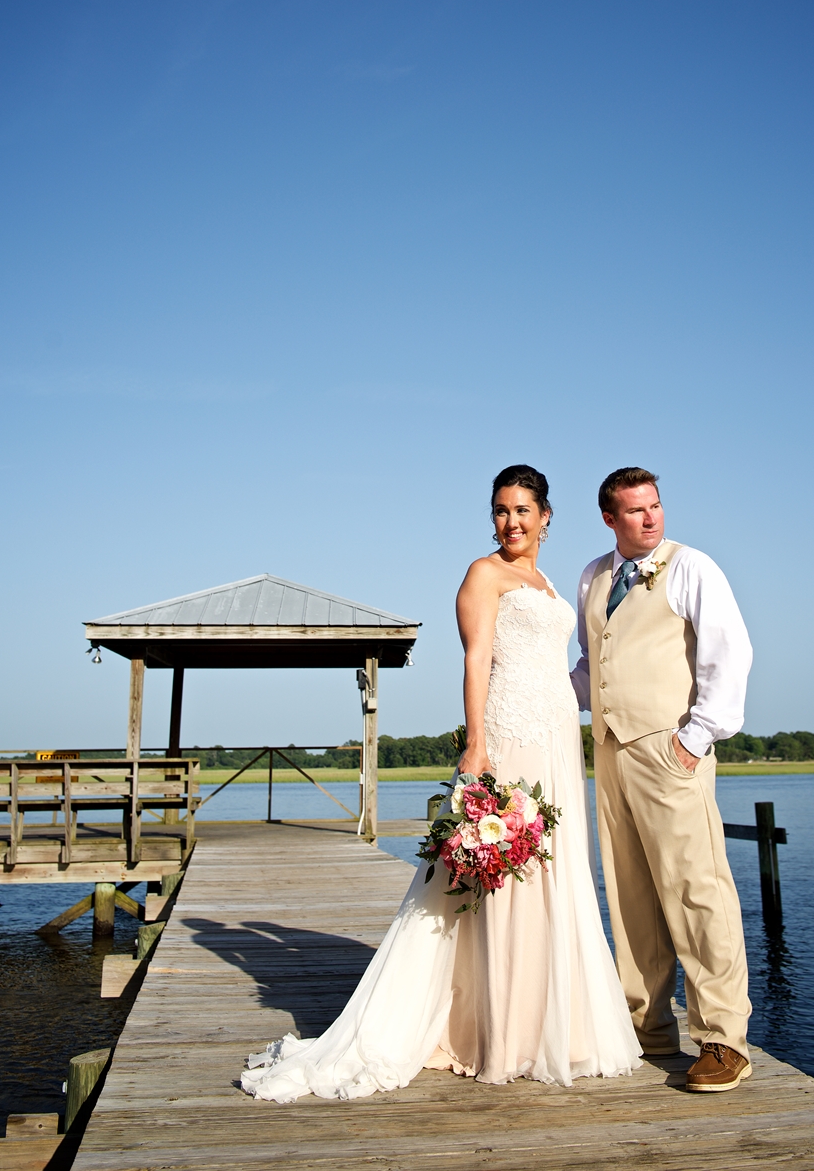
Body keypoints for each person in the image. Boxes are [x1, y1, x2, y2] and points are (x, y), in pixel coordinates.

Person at [241, 465, 640, 1103]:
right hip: (510, 733)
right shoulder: (483, 575)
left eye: (523, 510)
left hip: (560, 736)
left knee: (554, 870)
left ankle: (554, 1023)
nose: (511, 522)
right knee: (506, 872)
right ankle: (499, 1031)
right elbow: (476, 657)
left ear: (546, 517)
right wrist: (477, 744)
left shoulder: (545, 580)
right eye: (501, 511)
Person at [571, 466, 754, 1092]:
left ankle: (723, 1039)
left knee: (697, 889)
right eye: (635, 511)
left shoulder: (691, 566)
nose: (651, 519)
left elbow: (729, 655)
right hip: (610, 752)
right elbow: (591, 667)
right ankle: (646, 1028)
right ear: (609, 519)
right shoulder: (592, 577)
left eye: (656, 506)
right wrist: (526, 698)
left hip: (671, 747)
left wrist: (694, 739)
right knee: (628, 894)